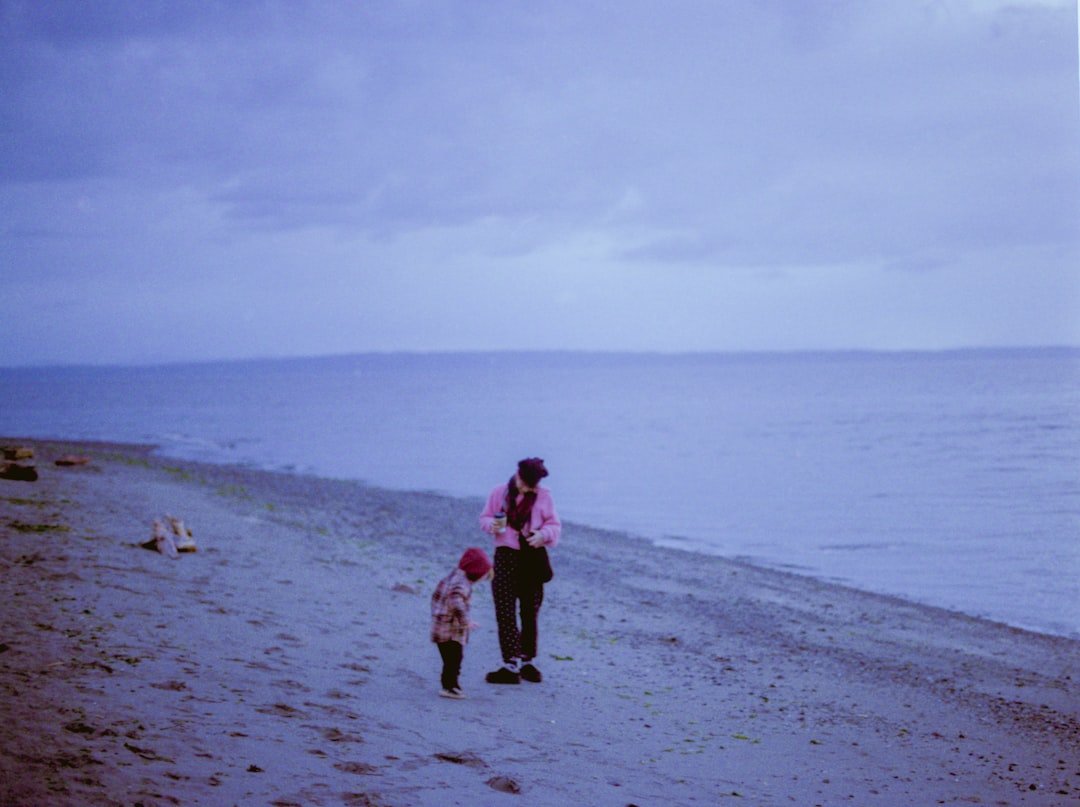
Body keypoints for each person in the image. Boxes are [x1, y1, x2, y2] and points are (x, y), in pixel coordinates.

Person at [479, 457, 561, 684]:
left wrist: (543, 535)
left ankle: (528, 661)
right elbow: (484, 518)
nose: (528, 489)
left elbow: (554, 526)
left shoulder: (544, 496)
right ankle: (510, 663)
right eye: (526, 483)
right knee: (504, 609)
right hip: (505, 555)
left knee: (530, 610)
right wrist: (493, 526)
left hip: (532, 557)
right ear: (518, 474)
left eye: (533, 485)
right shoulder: (499, 493)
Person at [430, 546, 493, 699]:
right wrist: (466, 621)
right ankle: (449, 687)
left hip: (440, 626)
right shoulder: (461, 584)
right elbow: (455, 601)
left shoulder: (454, 576)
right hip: (448, 630)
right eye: (483, 576)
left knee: (451, 659)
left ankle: (451, 685)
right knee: (454, 659)